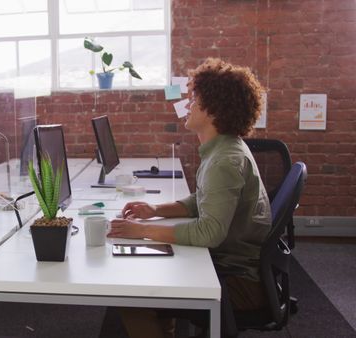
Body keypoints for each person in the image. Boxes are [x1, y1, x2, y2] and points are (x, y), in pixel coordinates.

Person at [107, 58, 272, 338]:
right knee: (153, 272)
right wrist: (154, 210)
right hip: (232, 266)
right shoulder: (223, 150)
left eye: (195, 99)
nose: (189, 104)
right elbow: (201, 200)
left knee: (131, 298)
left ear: (214, 110)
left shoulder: (224, 161)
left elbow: (209, 233)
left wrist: (142, 231)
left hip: (239, 283)